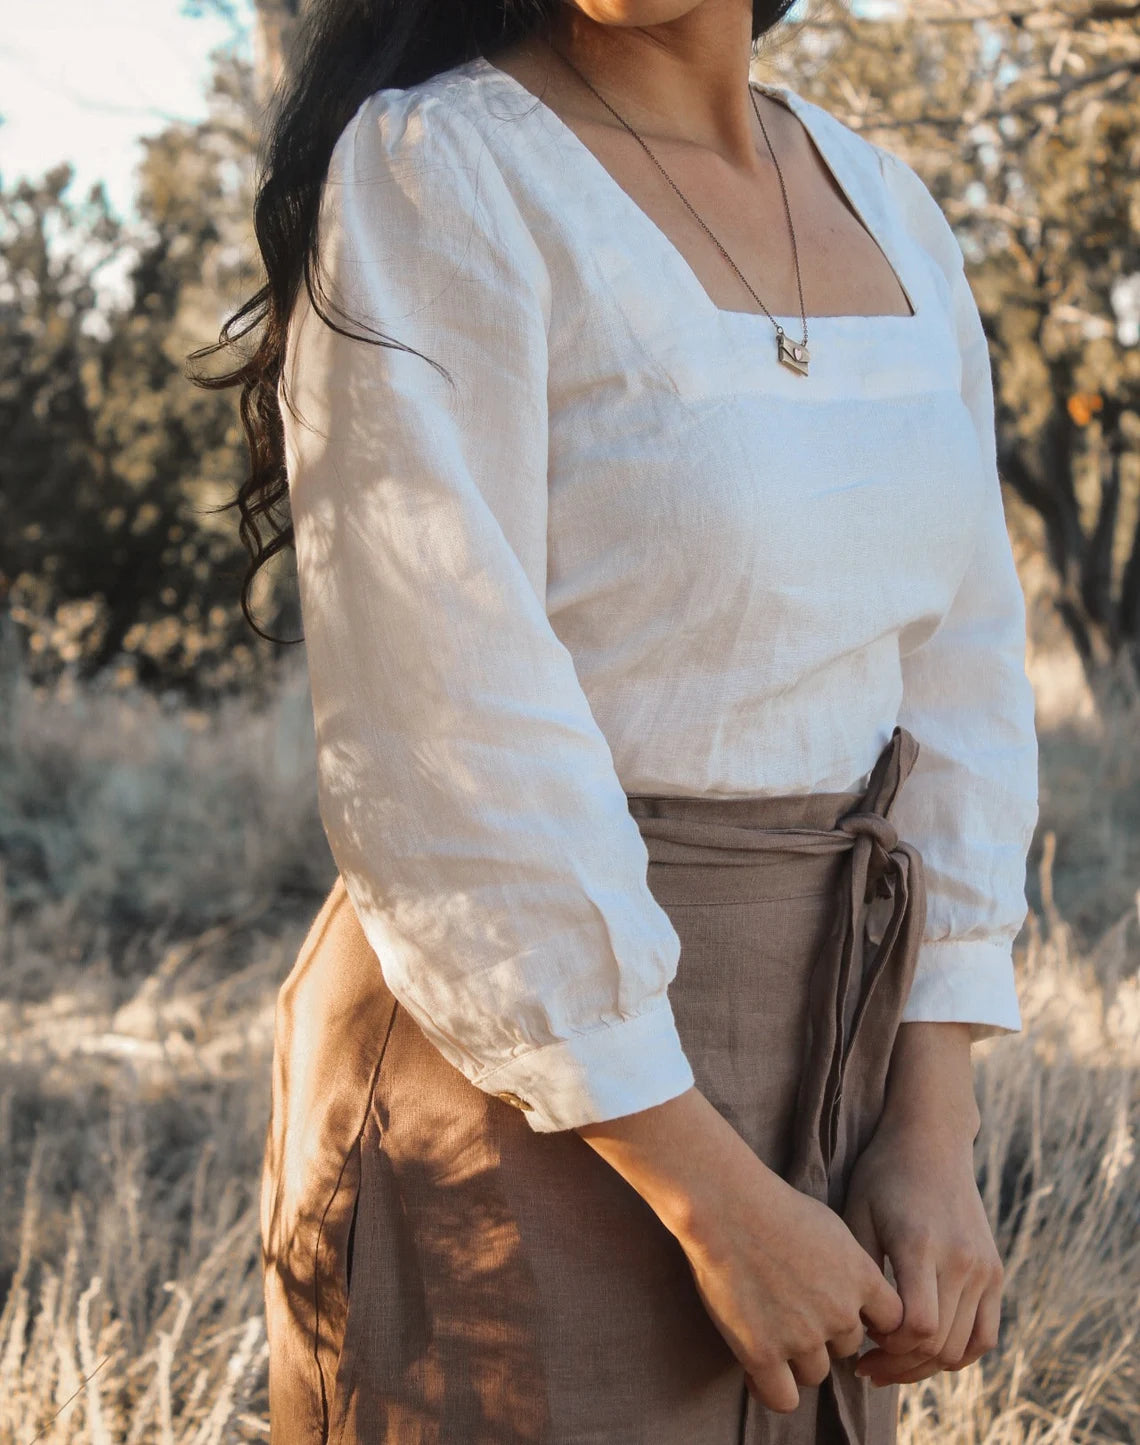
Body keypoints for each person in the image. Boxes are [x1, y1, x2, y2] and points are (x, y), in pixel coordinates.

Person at [197, 0, 1040, 1439]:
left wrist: (931, 1117)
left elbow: (965, 670)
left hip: (831, 1051)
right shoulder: (441, 169)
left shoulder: (889, 203)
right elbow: (446, 730)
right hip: (527, 1081)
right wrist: (707, 1192)